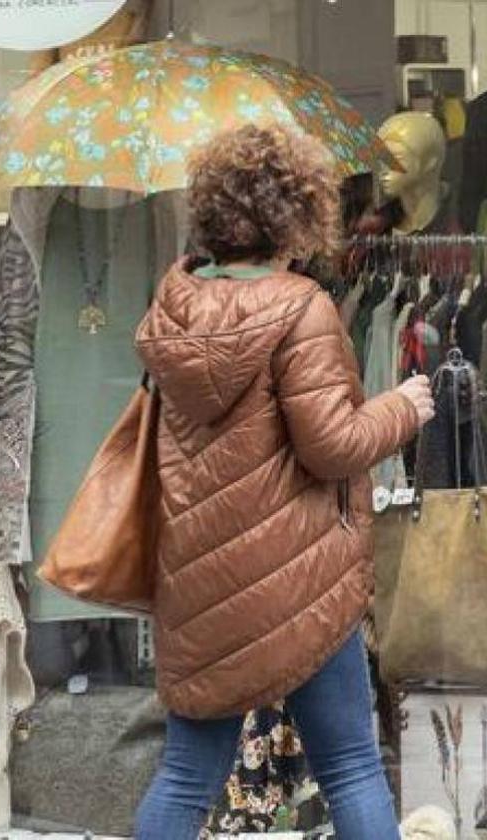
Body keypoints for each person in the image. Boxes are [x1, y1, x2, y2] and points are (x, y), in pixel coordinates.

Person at [132, 124, 435, 839]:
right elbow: (332, 447)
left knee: (183, 780)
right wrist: (402, 407)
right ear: (296, 211)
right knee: (353, 769)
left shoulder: (172, 309)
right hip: (301, 581)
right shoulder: (301, 308)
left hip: (202, 584)